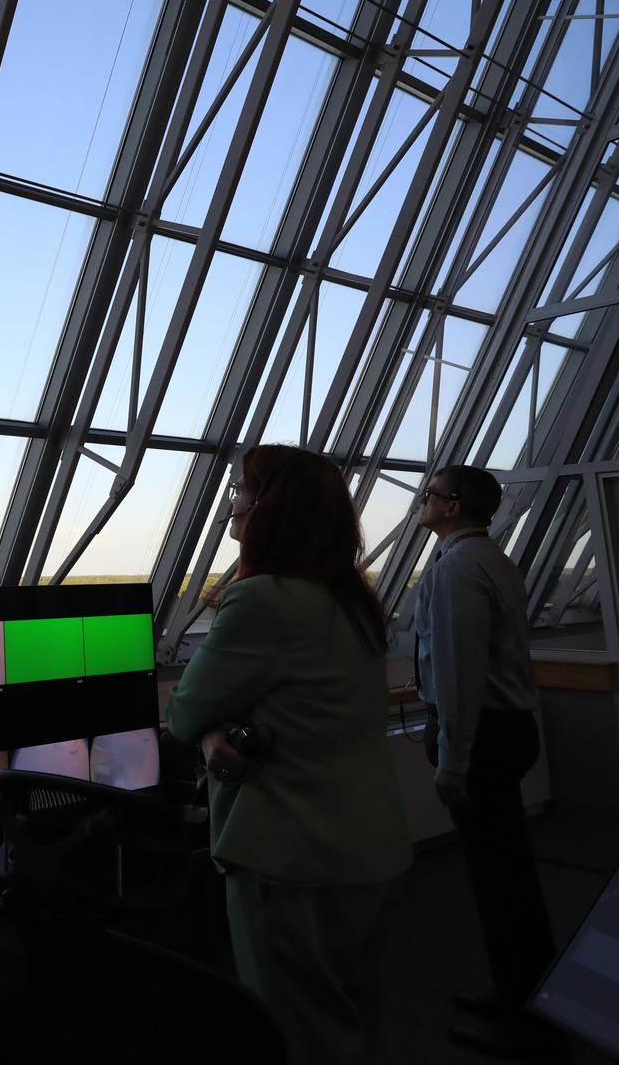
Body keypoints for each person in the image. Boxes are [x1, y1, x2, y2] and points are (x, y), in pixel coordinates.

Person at [165, 444, 410, 1065]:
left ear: (272, 513)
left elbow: (185, 712)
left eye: (242, 496)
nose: (232, 509)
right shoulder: (350, 600)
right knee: (352, 1012)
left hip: (292, 853)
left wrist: (212, 735)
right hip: (364, 842)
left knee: (296, 1030)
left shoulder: (264, 600)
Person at [410, 463, 558, 1060]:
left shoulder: (458, 569)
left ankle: (523, 1017)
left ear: (453, 507)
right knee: (508, 873)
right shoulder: (492, 560)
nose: (423, 500)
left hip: (482, 738)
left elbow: (458, 671)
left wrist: (453, 760)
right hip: (504, 731)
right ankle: (523, 993)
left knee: (497, 880)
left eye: (431, 494)